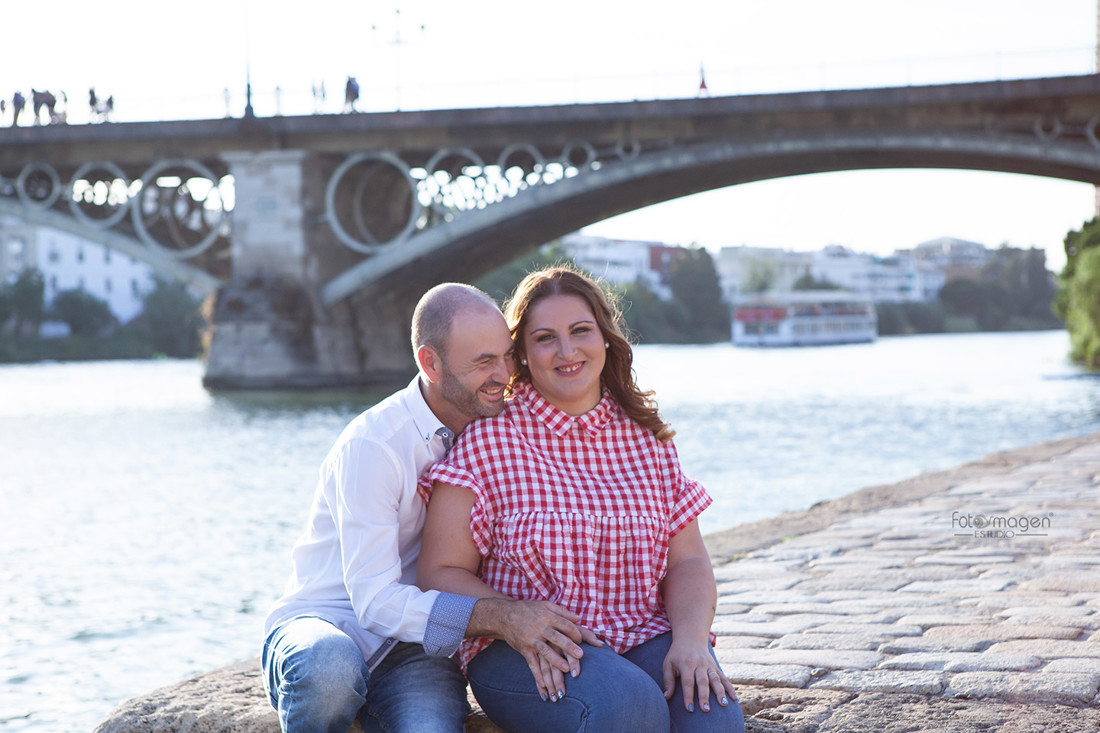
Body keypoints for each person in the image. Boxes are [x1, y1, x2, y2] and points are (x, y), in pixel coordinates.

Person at [418, 267, 745, 733]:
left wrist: (691, 641)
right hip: (527, 649)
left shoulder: (647, 440)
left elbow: (687, 561)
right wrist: (514, 617)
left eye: (580, 331)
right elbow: (438, 573)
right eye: (545, 338)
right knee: (627, 707)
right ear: (523, 357)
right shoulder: (488, 442)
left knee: (712, 718)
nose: (567, 351)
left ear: (605, 337)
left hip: (641, 634)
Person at [263, 283, 601, 733]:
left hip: (416, 648)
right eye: (483, 362)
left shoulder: (503, 425)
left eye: (507, 356)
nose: (504, 375)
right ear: (430, 364)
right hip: (328, 624)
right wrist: (501, 616)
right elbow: (375, 601)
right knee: (329, 671)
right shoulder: (374, 446)